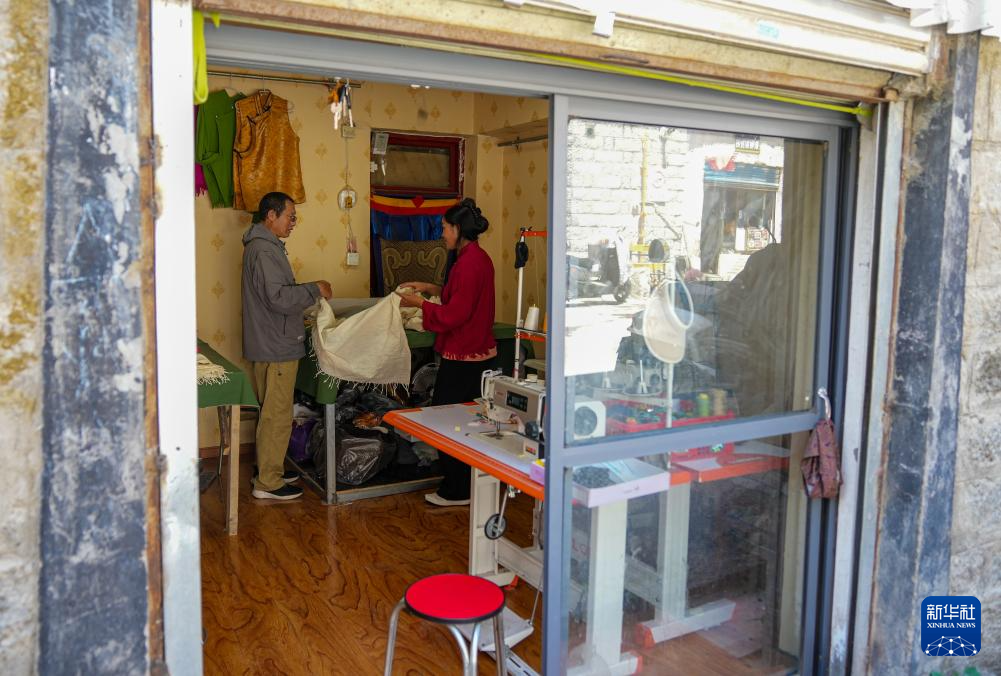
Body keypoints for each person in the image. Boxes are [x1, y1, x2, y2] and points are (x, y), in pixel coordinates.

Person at [398, 198, 496, 507]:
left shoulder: (467, 264)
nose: (441, 234)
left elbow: (455, 314)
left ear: (458, 229)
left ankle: (457, 489)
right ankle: (464, 484)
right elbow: (458, 296)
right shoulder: (475, 257)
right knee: (467, 422)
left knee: (448, 421)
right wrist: (428, 288)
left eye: (444, 228)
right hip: (474, 353)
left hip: (464, 355)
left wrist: (418, 303)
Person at [242, 191, 332, 500]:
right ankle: (268, 482)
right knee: (277, 414)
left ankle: (269, 469)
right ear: (271, 215)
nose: (294, 222)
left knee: (272, 411)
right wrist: (314, 289)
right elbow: (278, 298)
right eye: (290, 217)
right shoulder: (264, 250)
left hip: (269, 340)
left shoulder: (263, 247)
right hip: (276, 345)